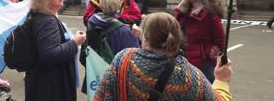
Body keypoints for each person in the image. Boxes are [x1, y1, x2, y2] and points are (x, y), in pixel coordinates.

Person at [94, 13, 232, 101]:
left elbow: (100, 95)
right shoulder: (190, 77)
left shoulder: (123, 59)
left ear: (145, 38)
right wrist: (221, 80)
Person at [24, 0, 86, 101]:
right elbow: (49, 54)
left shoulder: (41, 17)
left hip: (45, 85)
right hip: (51, 89)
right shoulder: (47, 21)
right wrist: (75, 42)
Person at [81, 0, 140, 93]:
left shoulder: (91, 22)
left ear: (101, 4)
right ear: (118, 6)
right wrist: (136, 37)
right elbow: (135, 58)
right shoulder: (124, 31)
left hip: (94, 77)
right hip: (113, 82)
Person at [175, 0, 225, 83]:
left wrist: (208, 52)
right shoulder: (183, 10)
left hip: (203, 64)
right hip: (183, 59)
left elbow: (220, 40)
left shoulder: (210, 13)